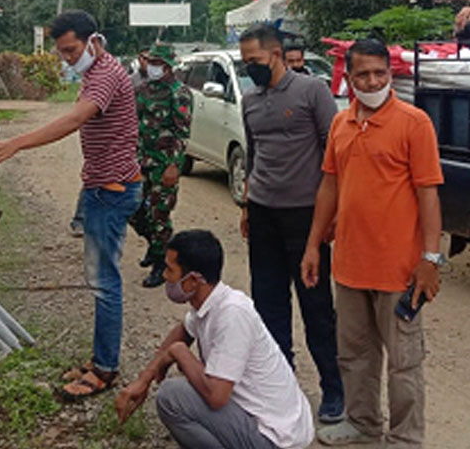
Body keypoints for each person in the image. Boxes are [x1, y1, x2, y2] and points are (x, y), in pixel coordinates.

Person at [0, 9, 141, 399]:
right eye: (62, 53)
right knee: (100, 280)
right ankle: (102, 358)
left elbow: (73, 120)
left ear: (92, 40)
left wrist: (15, 143)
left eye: (71, 50)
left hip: (112, 190)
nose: (67, 58)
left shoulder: (104, 76)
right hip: (102, 187)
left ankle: (105, 369)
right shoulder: (95, 70)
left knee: (105, 284)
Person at [301, 38, 444, 447]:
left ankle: (405, 438)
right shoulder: (340, 124)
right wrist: (314, 245)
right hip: (349, 266)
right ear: (349, 77)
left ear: (391, 73)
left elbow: (429, 194)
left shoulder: (414, 123)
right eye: (362, 74)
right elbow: (329, 184)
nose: (372, 80)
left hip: (399, 271)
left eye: (380, 73)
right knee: (355, 355)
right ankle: (364, 425)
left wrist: (430, 259)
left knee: (404, 363)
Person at [115, 230, 315, 449]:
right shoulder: (211, 303)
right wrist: (145, 377)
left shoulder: (232, 315)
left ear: (193, 281)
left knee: (171, 397)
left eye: (170, 270)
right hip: (266, 423)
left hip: (275, 438)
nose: (164, 276)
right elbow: (183, 330)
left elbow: (216, 396)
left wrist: (179, 352)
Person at [238, 24, 345, 424]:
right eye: (246, 62)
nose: (251, 68)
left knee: (316, 306)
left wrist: (330, 216)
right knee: (268, 306)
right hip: (263, 212)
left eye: (256, 61)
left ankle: (334, 388)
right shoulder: (250, 100)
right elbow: (253, 154)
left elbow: (334, 155)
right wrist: (248, 205)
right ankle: (280, 387)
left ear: (278, 54)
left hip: (304, 216)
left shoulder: (311, 92)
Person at [129, 42, 193, 287]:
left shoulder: (180, 93)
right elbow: (133, 124)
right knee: (133, 210)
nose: (151, 66)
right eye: (150, 62)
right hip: (140, 160)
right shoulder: (143, 90)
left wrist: (174, 166)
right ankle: (157, 246)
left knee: (159, 215)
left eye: (156, 63)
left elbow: (182, 132)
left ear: (167, 66)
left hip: (164, 163)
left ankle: (161, 264)